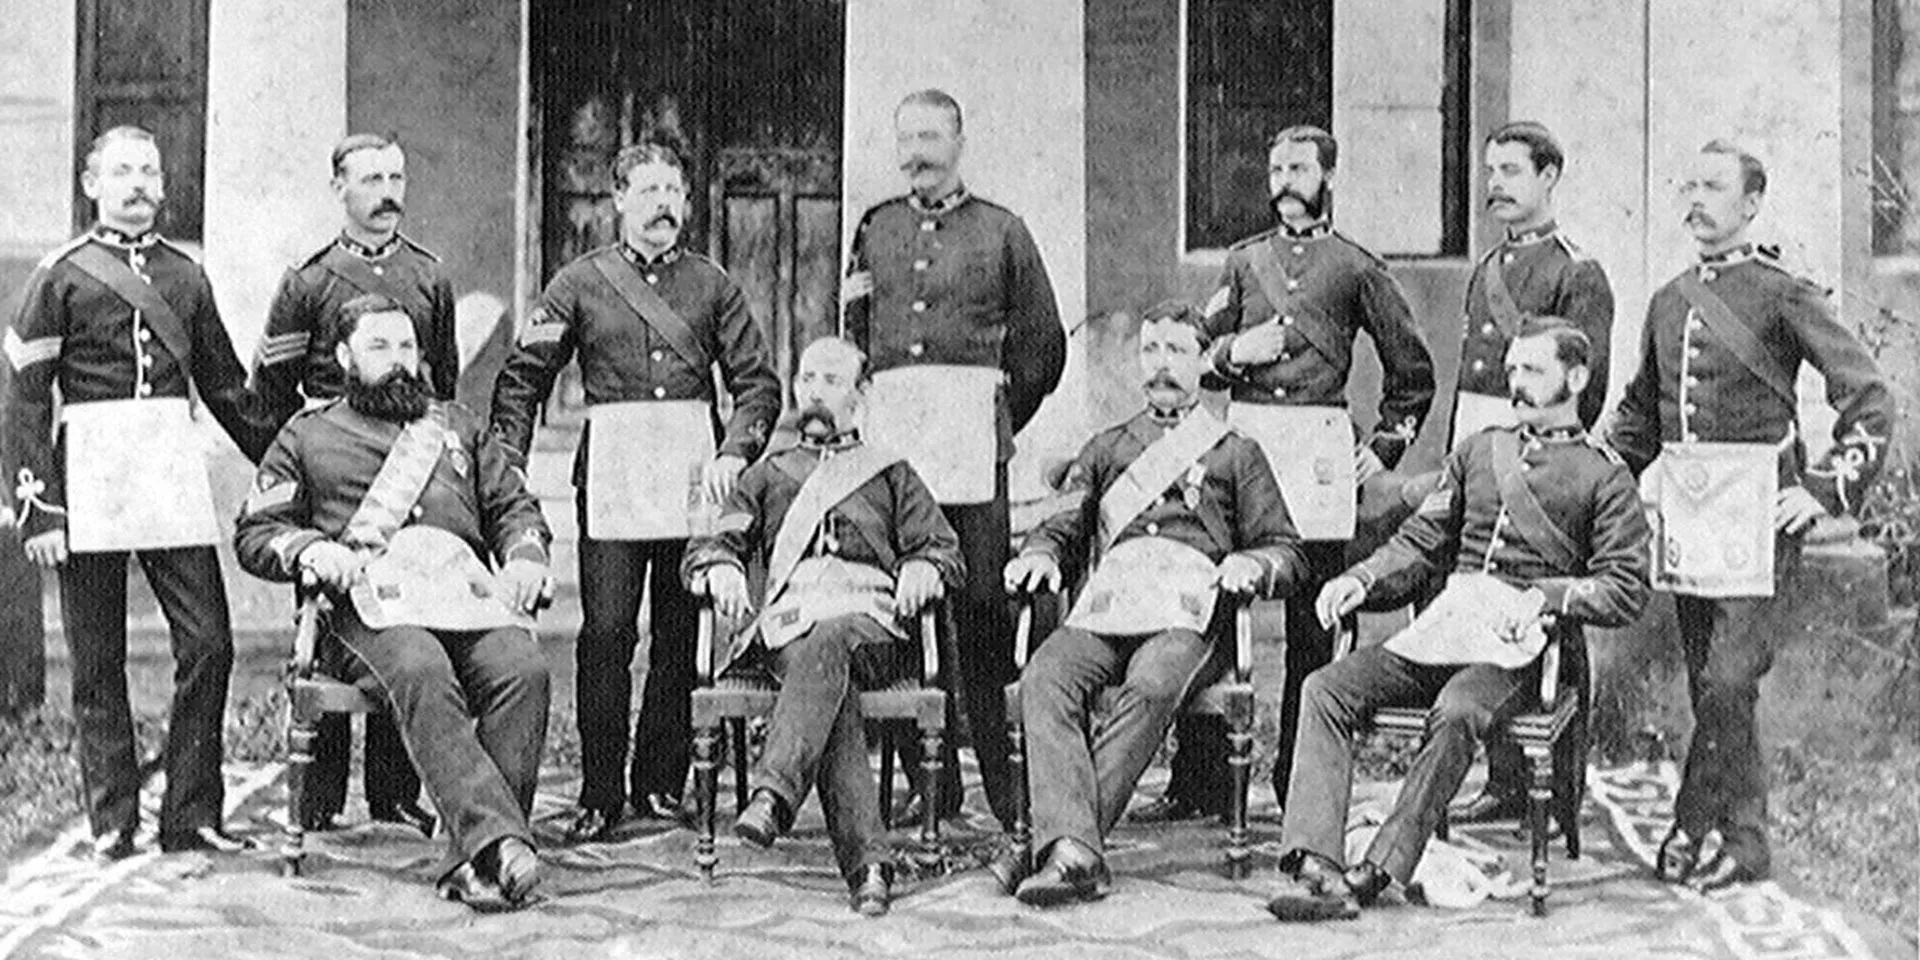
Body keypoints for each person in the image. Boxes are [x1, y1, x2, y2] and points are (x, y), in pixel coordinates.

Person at [1266, 319, 1650, 921]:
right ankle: (1316, 861)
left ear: (1576, 378)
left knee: (1459, 709)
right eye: (1513, 368)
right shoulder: (1478, 450)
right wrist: (1360, 579)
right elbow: (1421, 541)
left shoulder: (1605, 476)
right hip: (1447, 631)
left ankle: (1379, 869)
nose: (1514, 382)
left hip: (1519, 650)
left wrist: (1547, 597)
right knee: (1327, 688)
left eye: (1533, 370)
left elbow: (1626, 588)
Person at [1608, 141, 1894, 891]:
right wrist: (1598, 487)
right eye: (1689, 185)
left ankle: (1697, 823)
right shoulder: (1669, 299)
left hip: (1760, 522)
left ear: (1751, 204)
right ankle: (1740, 837)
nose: (1695, 201)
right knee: (1712, 684)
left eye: (1714, 188)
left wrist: (1827, 489)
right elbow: (1641, 415)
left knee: (1731, 681)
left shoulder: (1782, 294)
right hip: (1689, 520)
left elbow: (1867, 395)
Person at [1142, 124, 1435, 827]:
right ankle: (1200, 779)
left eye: (1299, 167)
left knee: (1313, 621)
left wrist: (1387, 445)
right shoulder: (1243, 264)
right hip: (1243, 446)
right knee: (1213, 600)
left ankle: (1301, 780)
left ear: (1327, 175)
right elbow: (1198, 356)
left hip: (1318, 454)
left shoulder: (1357, 267)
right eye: (1275, 167)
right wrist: (1237, 349)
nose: (1284, 179)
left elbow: (1412, 370)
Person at [492, 136, 781, 843]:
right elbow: (523, 378)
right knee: (608, 634)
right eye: (648, 192)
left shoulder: (713, 285)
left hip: (692, 477)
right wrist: (508, 468)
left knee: (680, 635)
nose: (663, 207)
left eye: (674, 193)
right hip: (616, 474)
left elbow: (757, 385)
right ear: (619, 199)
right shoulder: (579, 283)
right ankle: (599, 791)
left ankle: (659, 784)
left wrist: (736, 449)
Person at [2, 125, 277, 860]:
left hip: (168, 467)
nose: (137, 184)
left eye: (149, 171)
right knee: (97, 660)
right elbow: (24, 403)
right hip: (89, 470)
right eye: (121, 171)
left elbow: (223, 386)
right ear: (91, 184)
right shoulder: (58, 276)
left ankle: (190, 814)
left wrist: (285, 459)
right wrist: (40, 509)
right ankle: (112, 820)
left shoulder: (186, 277)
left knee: (210, 643)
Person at [235, 295, 552, 910]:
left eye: (407, 346)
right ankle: (502, 845)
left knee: (524, 669)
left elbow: (514, 505)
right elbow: (254, 532)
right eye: (380, 348)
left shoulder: (456, 427)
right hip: (368, 610)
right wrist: (307, 549)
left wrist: (524, 555)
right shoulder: (308, 434)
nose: (399, 361)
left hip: (463, 600)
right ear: (347, 357)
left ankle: (478, 858)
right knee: (420, 667)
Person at [995, 302, 1306, 906]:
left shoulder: (1235, 453)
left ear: (1202, 362)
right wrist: (1041, 552)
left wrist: (1251, 563)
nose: (1162, 365)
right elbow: (1065, 523)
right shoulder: (1109, 446)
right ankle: (1072, 848)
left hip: (1186, 617)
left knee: (1154, 682)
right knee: (1046, 675)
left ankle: (1064, 846)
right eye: (1151, 350)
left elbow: (1286, 550)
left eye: (1178, 352)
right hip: (1108, 608)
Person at [843, 88, 1066, 828]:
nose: (918, 152)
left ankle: (1008, 794)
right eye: (907, 137)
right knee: (898, 613)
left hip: (972, 452)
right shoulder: (874, 229)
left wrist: (999, 414)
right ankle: (928, 784)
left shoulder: (1002, 231)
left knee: (979, 613)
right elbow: (852, 333)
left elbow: (1043, 347)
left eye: (932, 136)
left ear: (959, 141)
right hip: (896, 455)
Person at [684, 336, 965, 916]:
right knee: (823, 666)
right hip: (789, 631)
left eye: (832, 381)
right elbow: (711, 539)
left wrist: (923, 564)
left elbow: (944, 547)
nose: (815, 391)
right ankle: (869, 868)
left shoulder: (892, 473)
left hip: (873, 629)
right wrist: (719, 565)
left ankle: (775, 791)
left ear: (861, 396)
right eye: (808, 379)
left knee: (831, 638)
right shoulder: (767, 474)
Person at [253, 132, 455, 835]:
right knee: (328, 615)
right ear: (338, 188)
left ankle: (395, 795)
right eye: (370, 179)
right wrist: (296, 474)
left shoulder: (429, 277)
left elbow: (444, 385)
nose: (387, 191)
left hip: (406, 463)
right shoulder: (308, 282)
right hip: (327, 465)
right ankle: (320, 797)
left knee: (406, 610)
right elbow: (268, 396)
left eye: (396, 176)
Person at [1448, 121, 1617, 825]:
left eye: (1513, 172)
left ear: (1550, 177)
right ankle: (1504, 783)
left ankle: (1560, 790)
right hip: (1481, 448)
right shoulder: (1487, 268)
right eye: (1491, 172)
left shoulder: (1577, 272)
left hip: (1543, 460)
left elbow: (1590, 383)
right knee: (1482, 606)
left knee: (1549, 617)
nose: (1496, 185)